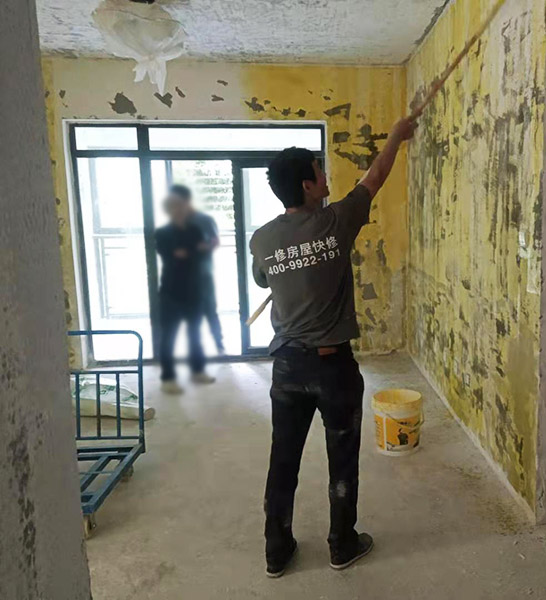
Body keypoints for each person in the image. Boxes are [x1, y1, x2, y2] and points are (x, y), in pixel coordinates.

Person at [250, 116, 416, 577]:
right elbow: (375, 177)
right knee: (342, 459)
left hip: (286, 368)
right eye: (319, 171)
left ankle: (276, 551)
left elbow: (263, 279)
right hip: (333, 368)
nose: (326, 177)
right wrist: (397, 134)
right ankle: (342, 545)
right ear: (307, 186)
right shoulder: (336, 221)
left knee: (283, 460)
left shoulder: (262, 239)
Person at [155, 185, 217, 394]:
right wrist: (193, 251)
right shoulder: (163, 233)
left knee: (195, 334)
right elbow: (174, 255)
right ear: (168, 210)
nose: (179, 210)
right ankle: (168, 378)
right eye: (174, 206)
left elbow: (202, 252)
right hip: (170, 292)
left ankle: (197, 371)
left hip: (194, 290)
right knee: (169, 337)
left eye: (181, 206)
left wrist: (189, 252)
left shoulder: (194, 230)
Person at [186, 192, 225, 355]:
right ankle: (195, 347)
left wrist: (200, 248)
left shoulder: (205, 219)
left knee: (210, 309)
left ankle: (219, 344)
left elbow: (215, 242)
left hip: (204, 272)